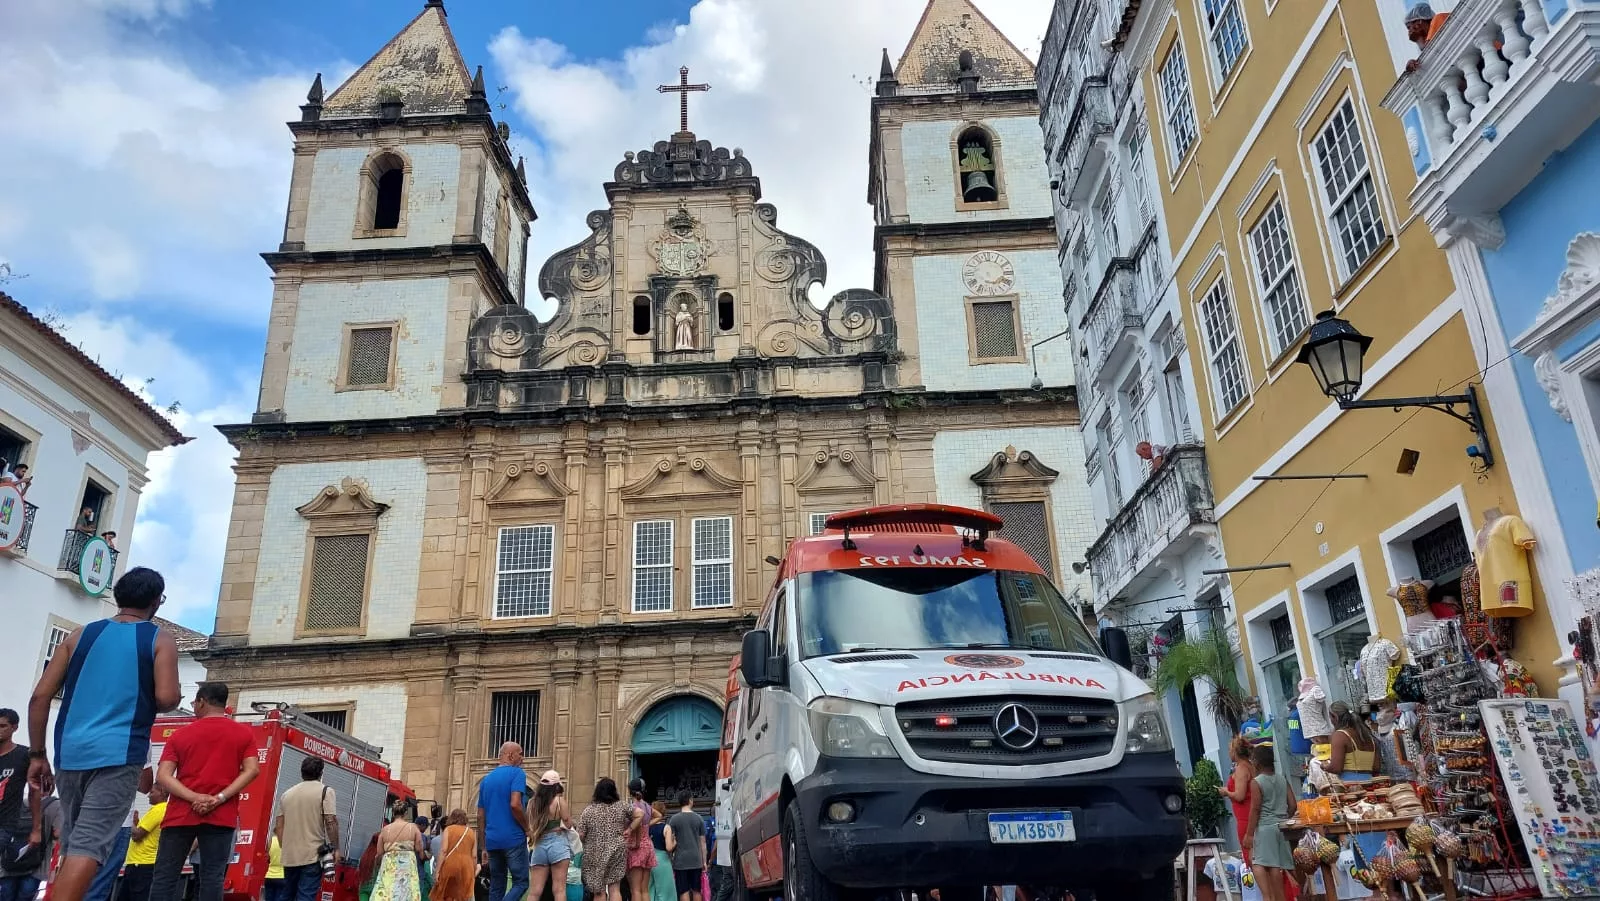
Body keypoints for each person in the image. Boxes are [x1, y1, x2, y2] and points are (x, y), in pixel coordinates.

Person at [27, 567, 182, 901]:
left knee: (73, 843)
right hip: (119, 753)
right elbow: (167, 698)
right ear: (156, 602)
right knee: (90, 845)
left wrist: (38, 755)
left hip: (70, 753)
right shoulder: (158, 638)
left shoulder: (80, 635)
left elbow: (40, 697)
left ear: (117, 596)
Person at [149, 682, 261, 901]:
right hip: (222, 815)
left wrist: (193, 797)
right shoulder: (244, 734)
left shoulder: (180, 735)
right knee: (212, 877)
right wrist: (219, 798)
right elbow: (252, 770)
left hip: (180, 815)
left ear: (202, 701)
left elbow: (163, 776)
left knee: (165, 876)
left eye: (194, 703)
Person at [276, 757, 341, 901]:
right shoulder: (325, 791)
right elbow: (331, 822)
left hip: (290, 856)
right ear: (321, 773)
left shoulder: (287, 794)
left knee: (286, 895)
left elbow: (279, 825)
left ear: (301, 773)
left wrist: (284, 846)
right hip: (312, 855)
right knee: (305, 896)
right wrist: (336, 848)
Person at [476, 743, 531, 901]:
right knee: (521, 882)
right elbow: (515, 804)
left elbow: (480, 816)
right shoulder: (517, 773)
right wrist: (527, 828)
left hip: (492, 841)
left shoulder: (486, 780)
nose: (523, 758)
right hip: (513, 838)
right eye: (520, 754)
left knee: (497, 885)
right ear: (511, 755)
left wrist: (483, 846)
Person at [0, 707, 43, 898]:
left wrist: (36, 828)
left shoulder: (23, 756)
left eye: (3, 726)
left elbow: (35, 793)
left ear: (14, 728)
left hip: (4, 825)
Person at [1243, 747, 1295, 901]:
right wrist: (1285, 817)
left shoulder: (1257, 782)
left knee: (1259, 861)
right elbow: (1292, 805)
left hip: (1265, 827)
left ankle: (1268, 897)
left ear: (1256, 763)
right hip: (1282, 827)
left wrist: (1249, 833)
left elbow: (1255, 809)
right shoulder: (1282, 779)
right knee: (1277, 864)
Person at [575, 779, 629, 901]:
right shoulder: (621, 806)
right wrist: (630, 829)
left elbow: (581, 834)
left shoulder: (589, 811)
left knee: (598, 891)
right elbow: (639, 814)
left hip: (594, 853)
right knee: (615, 888)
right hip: (617, 850)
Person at [0, 789, 58, 901]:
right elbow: (58, 832)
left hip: (7, 863)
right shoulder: (55, 805)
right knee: (25, 895)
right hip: (35, 867)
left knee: (6, 895)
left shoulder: (12, 803)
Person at [527, 771, 572, 901]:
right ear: (556, 786)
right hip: (558, 844)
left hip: (539, 845)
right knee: (559, 890)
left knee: (535, 892)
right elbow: (568, 824)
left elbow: (530, 825)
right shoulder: (559, 801)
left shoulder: (532, 803)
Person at [371, 802, 425, 901]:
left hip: (389, 865)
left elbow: (379, 852)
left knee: (388, 892)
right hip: (407, 866)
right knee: (406, 893)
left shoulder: (385, 829)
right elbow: (418, 847)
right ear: (405, 813)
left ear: (393, 813)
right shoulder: (412, 828)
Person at [123, 786, 169, 901]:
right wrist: (136, 823)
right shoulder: (165, 810)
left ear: (162, 792)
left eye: (152, 792)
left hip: (141, 864)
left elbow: (136, 835)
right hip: (144, 864)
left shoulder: (158, 810)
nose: (148, 795)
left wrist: (129, 822)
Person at [1218, 736, 1256, 865]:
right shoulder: (1251, 766)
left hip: (1245, 817)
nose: (1229, 753)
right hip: (1251, 814)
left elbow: (1240, 795)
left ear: (1235, 752)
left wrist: (1226, 792)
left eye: (1229, 750)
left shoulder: (1241, 769)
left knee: (1250, 855)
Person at [662, 794, 705, 901]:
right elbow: (703, 843)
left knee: (683, 891)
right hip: (696, 860)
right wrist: (704, 860)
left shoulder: (674, 819)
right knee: (697, 890)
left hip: (680, 861)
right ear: (690, 801)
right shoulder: (699, 818)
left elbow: (671, 840)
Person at [428, 810, 475, 901]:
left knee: (446, 893)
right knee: (463, 894)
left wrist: (437, 871)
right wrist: (472, 872)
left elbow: (444, 851)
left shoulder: (448, 829)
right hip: (467, 867)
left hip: (451, 864)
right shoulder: (471, 832)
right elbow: (474, 856)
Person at [1326, 702, 1377, 782]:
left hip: (1349, 786)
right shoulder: (1370, 737)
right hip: (1371, 784)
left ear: (1335, 717)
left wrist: (1323, 766)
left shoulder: (1340, 735)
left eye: (1330, 718)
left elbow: (1336, 768)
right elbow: (1376, 768)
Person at [624, 780, 653, 901]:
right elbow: (658, 816)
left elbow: (638, 825)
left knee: (635, 890)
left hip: (637, 848)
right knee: (644, 889)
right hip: (648, 847)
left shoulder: (633, 808)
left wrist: (635, 841)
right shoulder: (647, 806)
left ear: (630, 791)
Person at [646, 804, 673, 901]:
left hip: (648, 860)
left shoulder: (646, 827)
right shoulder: (666, 827)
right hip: (662, 860)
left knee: (650, 890)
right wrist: (675, 842)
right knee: (665, 891)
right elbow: (669, 847)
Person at [265, 835, 285, 901]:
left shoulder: (271, 840)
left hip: (269, 877)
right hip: (282, 876)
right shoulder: (288, 841)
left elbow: (268, 859)